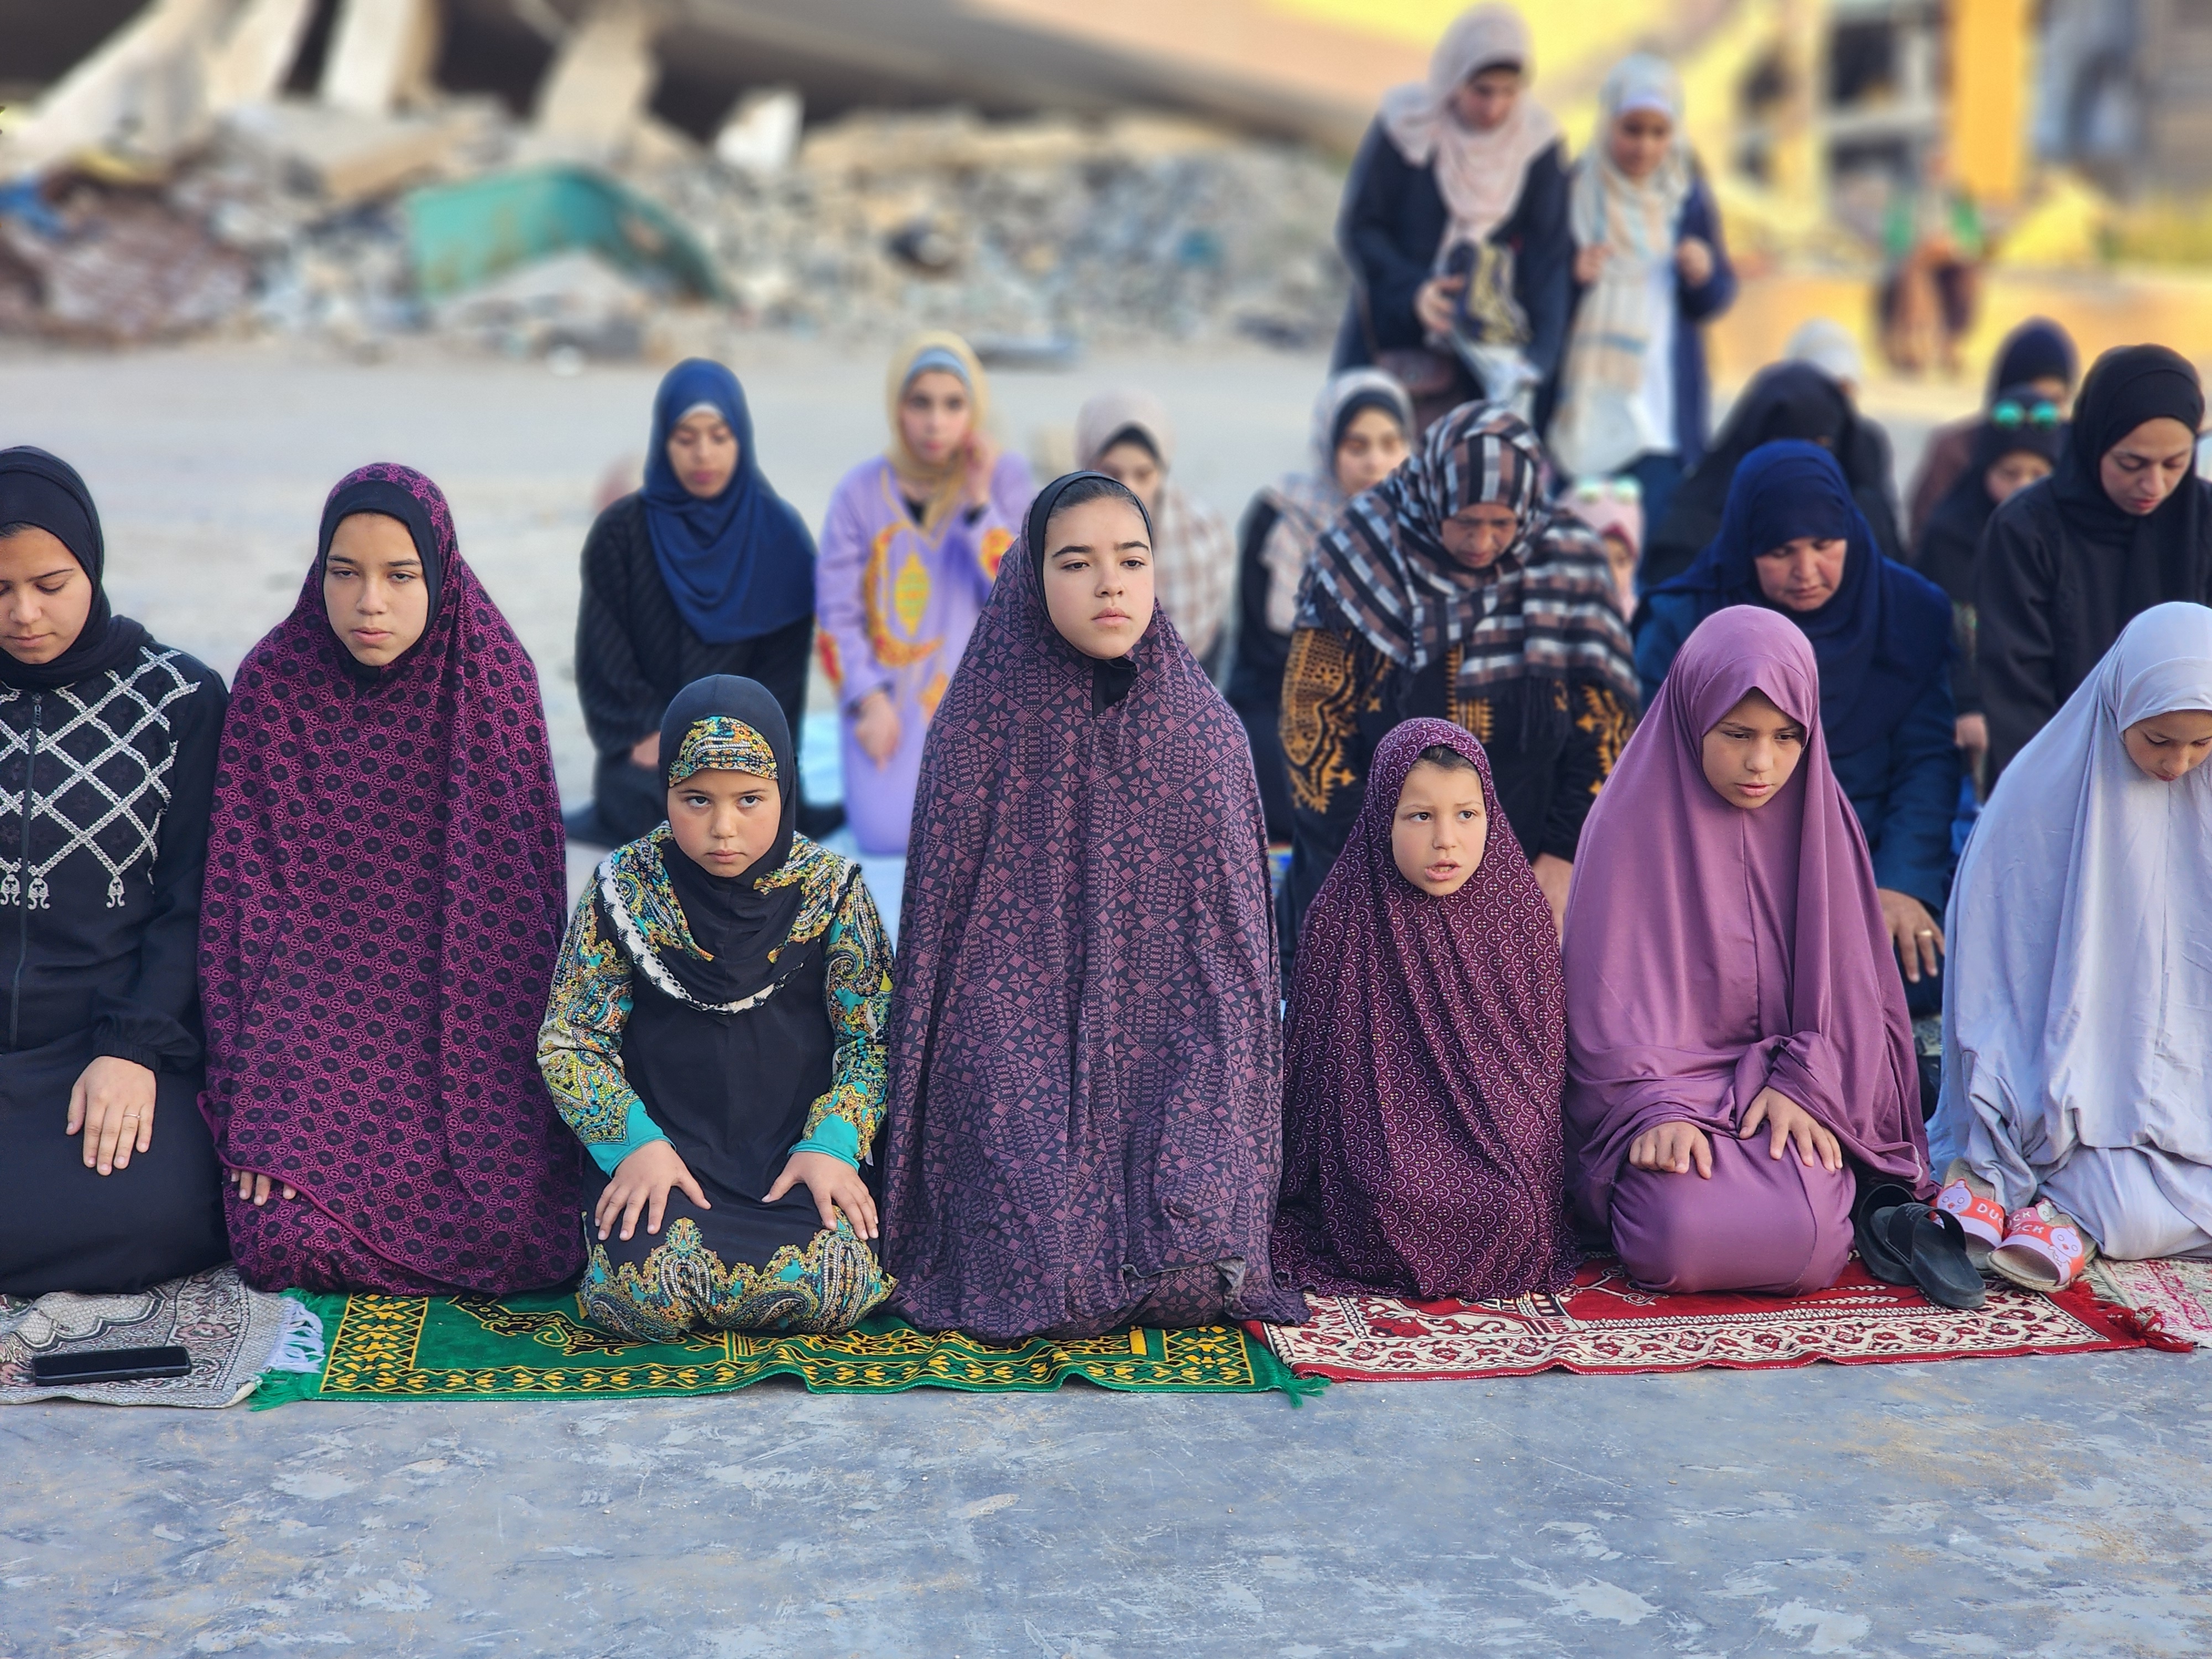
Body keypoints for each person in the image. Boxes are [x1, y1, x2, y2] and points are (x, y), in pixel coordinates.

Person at [880, 472, 1306, 1341]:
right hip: (1016, 1042)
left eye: (1131, 559)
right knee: (1031, 1261)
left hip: (1168, 1052)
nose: (1110, 583)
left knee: (1192, 1270)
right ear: (1033, 580)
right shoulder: (977, 728)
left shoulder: (1207, 735)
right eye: (1076, 562)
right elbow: (937, 952)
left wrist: (1206, 1091)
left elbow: (1235, 972)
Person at [200, 463, 582, 1295]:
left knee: (517, 1231)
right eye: (346, 573)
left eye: (399, 575)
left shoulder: (494, 684)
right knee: (282, 1239)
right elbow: (244, 922)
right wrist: (267, 1105)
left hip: (463, 1051)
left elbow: (519, 938)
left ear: (438, 574)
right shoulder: (274, 687)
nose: (370, 602)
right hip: (312, 1047)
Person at [1563, 607, 1933, 1296]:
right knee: (1678, 1237)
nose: (1761, 763)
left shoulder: (1822, 824)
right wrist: (1654, 1106)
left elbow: (1856, 1002)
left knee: (1813, 1243)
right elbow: (1599, 1013)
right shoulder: (1624, 824)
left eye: (1786, 737)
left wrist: (1808, 1084)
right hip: (1664, 1091)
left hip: (1789, 1088)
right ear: (1692, 716)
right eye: (1736, 735)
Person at [538, 676, 894, 1340]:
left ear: (785, 791)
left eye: (750, 800)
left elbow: (872, 1039)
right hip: (666, 1153)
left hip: (792, 1155)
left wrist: (833, 1146)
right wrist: (634, 1147)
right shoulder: (623, 888)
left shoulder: (833, 892)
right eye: (696, 799)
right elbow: (572, 1039)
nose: (722, 828)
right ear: (664, 792)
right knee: (643, 1299)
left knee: (830, 1288)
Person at [1279, 404, 1636, 963]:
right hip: (1364, 871)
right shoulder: (1357, 556)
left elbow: (1608, 726)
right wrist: (1381, 867)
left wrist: (1564, 854)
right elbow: (1311, 724)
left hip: (1529, 875)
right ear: (1431, 496)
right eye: (1465, 521)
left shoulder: (1568, 561)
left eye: (1502, 524)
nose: (1483, 543)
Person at [0, 448, 229, 1296]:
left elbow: (193, 900)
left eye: (50, 584)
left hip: (107, 1042)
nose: (24, 614)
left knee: (160, 1216)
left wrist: (132, 1046)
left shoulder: (177, 698)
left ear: (90, 564)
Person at [1932, 603, 2212, 1288]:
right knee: (2027, 1130)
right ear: (2117, 708)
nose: (2177, 763)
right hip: (2048, 1068)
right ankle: (2028, 1181)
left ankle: (2082, 1211)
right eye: (2156, 740)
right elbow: (1996, 960)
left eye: (2201, 743)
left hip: (2182, 1078)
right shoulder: (2036, 795)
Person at [1637, 442, 1958, 1016]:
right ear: (1744, 545)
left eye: (1824, 545)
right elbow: (1662, 773)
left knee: (1910, 973)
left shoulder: (1906, 612)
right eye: (1781, 551)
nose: (1807, 572)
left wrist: (1902, 882)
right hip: (1726, 859)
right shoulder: (1685, 623)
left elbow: (1926, 762)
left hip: (1869, 854)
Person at [1272, 718, 1577, 1301]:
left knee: (1512, 1207)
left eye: (1466, 815)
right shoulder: (1342, 917)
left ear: (1491, 815)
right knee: (1387, 1196)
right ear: (1382, 817)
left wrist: (1513, 1146)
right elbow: (1316, 1084)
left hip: (1495, 1136)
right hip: (1378, 1140)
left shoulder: (1518, 918)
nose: (1446, 840)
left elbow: (1537, 1073)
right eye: (1420, 816)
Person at [571, 359, 821, 847]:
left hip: (749, 747)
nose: (703, 454)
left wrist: (735, 744)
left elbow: (783, 679)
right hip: (651, 748)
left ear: (742, 440)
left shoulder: (780, 539)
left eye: (719, 437)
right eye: (686, 439)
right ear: (664, 442)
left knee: (748, 803)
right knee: (648, 800)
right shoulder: (621, 535)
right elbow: (604, 657)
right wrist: (647, 731)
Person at [816, 332, 1031, 857]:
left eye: (953, 405)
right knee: (888, 836)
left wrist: (979, 505)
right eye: (921, 404)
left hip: (984, 705)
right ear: (898, 408)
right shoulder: (860, 492)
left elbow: (1025, 597)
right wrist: (867, 700)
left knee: (985, 844)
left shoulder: (1005, 479)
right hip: (890, 701)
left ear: (974, 409)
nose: (936, 422)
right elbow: (835, 617)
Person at [1331, 5, 1572, 429]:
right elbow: (1361, 227)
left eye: (1508, 92)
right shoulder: (1407, 123)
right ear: (1454, 79)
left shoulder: (1537, 144)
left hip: (1487, 366)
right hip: (1390, 346)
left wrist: (1537, 360)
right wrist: (1413, 294)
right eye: (1481, 90)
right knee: (1372, 473)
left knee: (1467, 485)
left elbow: (1549, 258)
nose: (1494, 107)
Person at [1978, 344, 2212, 780]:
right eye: (2131, 463)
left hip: (2192, 776)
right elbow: (2016, 689)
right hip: (2057, 779)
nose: (2154, 484)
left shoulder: (2203, 521)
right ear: (2093, 440)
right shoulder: (2026, 529)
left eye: (2175, 463)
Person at [1546, 53, 1736, 535]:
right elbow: (1534, 301)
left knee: (1656, 560)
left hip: (1661, 420)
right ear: (1608, 121)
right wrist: (1571, 277)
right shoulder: (1572, 192)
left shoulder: (1686, 197)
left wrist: (1703, 273)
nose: (1645, 147)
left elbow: (1714, 299)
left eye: (1659, 132)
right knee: (1582, 555)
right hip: (1588, 414)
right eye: (1632, 129)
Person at [1229, 368, 1414, 841]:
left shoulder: (1423, 523)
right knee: (1284, 796)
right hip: (1281, 698)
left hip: (1382, 706)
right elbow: (1262, 644)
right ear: (1329, 447)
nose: (1376, 462)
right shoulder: (1282, 512)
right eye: (1357, 446)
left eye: (1391, 445)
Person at [1911, 385, 2066, 779]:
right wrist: (1966, 703)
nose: (2023, 486)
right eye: (2009, 473)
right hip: (1973, 717)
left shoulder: (2068, 536)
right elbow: (1941, 626)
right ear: (1983, 470)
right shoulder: (1951, 534)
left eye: (2038, 473)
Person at [1641, 359, 1903, 590]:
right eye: (1787, 447)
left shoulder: (1867, 520)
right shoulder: (1694, 531)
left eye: (1821, 446)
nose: (1805, 572)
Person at [1076, 388, 1237, 677]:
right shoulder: (1053, 527)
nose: (1129, 489)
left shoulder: (1202, 535)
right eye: (1112, 473)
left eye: (1144, 474)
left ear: (1162, 471)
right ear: (1087, 465)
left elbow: (1206, 651)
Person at [1906, 318, 2078, 545]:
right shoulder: (1957, 450)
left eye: (2054, 403)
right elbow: (1924, 532)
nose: (2038, 413)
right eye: (2009, 473)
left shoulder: (2075, 454)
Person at [1561, 476, 1642, 617]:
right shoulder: (1546, 614)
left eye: (1621, 561)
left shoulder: (1639, 623)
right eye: (1596, 558)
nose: (1610, 573)